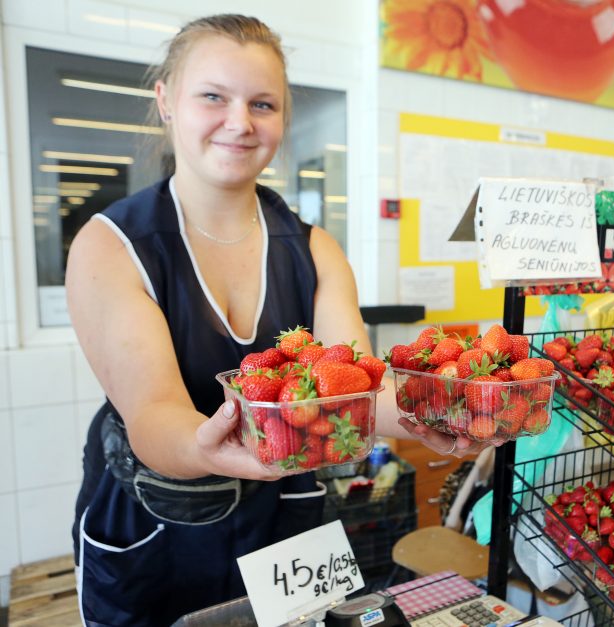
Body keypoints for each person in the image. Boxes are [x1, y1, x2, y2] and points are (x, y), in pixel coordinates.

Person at [66, 14, 484, 626]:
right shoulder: (113, 245)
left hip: (287, 517)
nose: (239, 122)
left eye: (263, 103)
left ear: (282, 119)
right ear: (166, 101)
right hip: (156, 523)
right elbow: (153, 415)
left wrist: (434, 411)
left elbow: (359, 390)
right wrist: (210, 444)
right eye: (213, 96)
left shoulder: (315, 249)